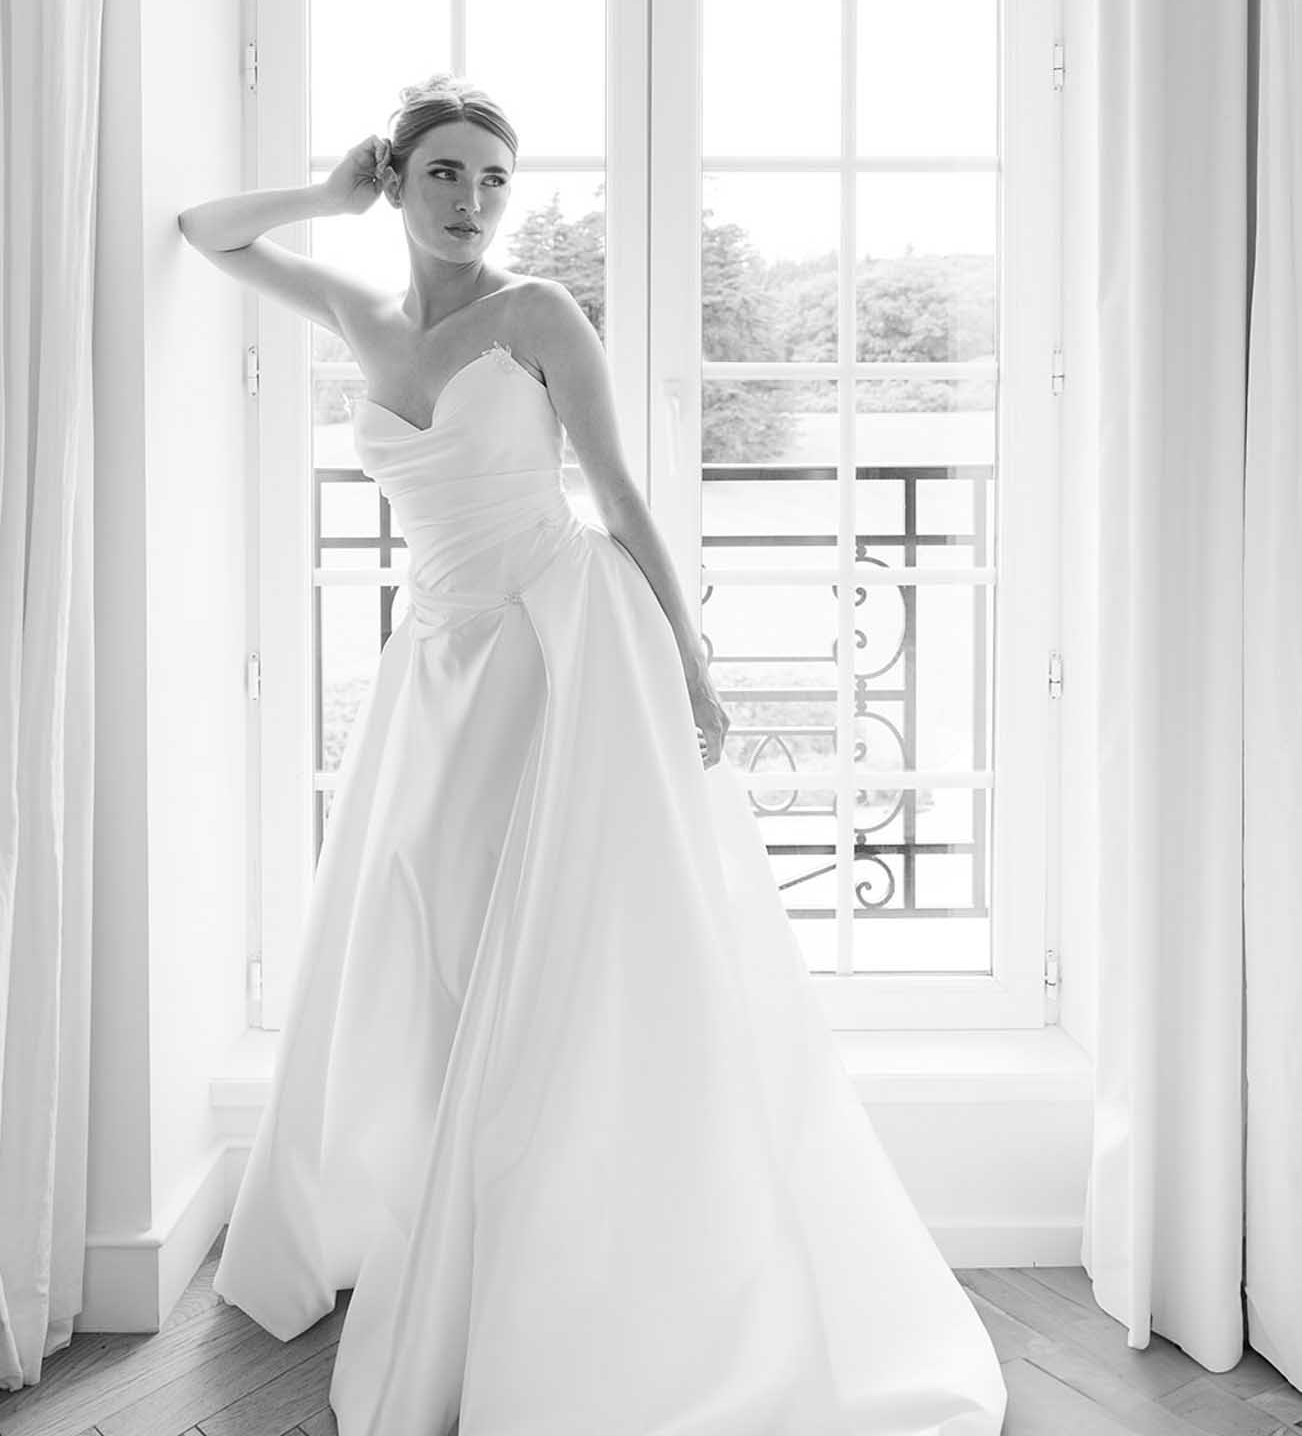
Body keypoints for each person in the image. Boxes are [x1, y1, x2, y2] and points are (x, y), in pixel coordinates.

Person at [177, 72, 1008, 1436]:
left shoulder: (538, 314)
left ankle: (574, 1266)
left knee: (556, 947)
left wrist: (691, 659)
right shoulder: (359, 311)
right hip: (435, 662)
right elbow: (206, 232)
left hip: (559, 646)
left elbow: (620, 495)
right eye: (444, 173)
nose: (473, 200)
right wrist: (324, 195)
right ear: (398, 181)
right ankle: (466, 1237)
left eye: (495, 179)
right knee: (442, 934)